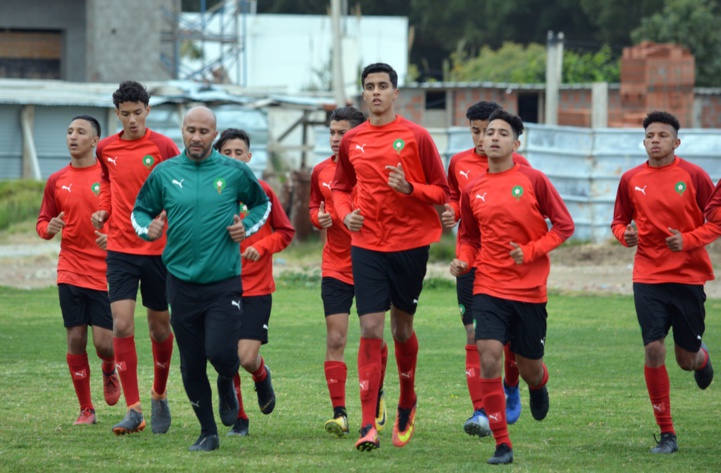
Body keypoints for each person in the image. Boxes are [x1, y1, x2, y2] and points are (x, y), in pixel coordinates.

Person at [132, 106, 270, 451]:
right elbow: (140, 210)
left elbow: (261, 204)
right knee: (191, 363)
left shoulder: (234, 172)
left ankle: (227, 379)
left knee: (222, 353)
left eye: (204, 132)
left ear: (214, 134)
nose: (196, 137)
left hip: (223, 281)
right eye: (190, 130)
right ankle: (208, 432)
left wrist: (246, 226)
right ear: (182, 130)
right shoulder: (164, 173)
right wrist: (148, 230)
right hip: (179, 282)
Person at [332, 63, 450, 451]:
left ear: (395, 93)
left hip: (411, 244)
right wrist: (344, 212)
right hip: (366, 244)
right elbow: (341, 187)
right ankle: (368, 424)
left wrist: (409, 188)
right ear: (363, 94)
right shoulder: (352, 141)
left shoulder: (417, 137)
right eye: (370, 86)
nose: (377, 92)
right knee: (369, 329)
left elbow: (442, 192)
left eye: (383, 86)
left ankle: (407, 399)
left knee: (401, 330)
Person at [450, 110, 574, 464]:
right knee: (488, 353)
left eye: (502, 133)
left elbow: (564, 226)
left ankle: (537, 383)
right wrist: (463, 260)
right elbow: (470, 237)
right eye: (488, 132)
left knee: (528, 365)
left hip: (530, 291)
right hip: (488, 285)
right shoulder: (473, 188)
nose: (492, 138)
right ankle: (502, 444)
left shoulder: (534, 180)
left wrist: (531, 251)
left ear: (516, 143)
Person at [611, 111, 716, 455]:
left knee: (684, 359)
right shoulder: (630, 179)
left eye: (662, 135)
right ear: (644, 141)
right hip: (648, 275)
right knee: (653, 348)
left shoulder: (694, 176)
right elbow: (619, 222)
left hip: (687, 276)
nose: (655, 140)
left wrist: (686, 241)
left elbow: (716, 222)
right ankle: (667, 433)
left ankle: (701, 358)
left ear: (676, 142)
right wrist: (624, 236)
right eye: (650, 135)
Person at [91, 81, 179, 436]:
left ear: (148, 110)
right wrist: (103, 210)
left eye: (137, 113)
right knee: (122, 325)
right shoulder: (106, 148)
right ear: (117, 114)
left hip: (159, 251)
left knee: (159, 328)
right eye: (125, 114)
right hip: (121, 249)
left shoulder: (163, 146)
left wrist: (170, 222)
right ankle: (134, 409)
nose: (131, 120)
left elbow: (180, 185)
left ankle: (159, 394)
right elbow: (107, 183)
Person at [442, 101, 530, 437]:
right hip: (469, 262)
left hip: (507, 267)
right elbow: (452, 195)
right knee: (475, 335)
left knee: (508, 342)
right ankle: (480, 411)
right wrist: (451, 210)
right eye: (476, 131)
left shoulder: (520, 166)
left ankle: (511, 385)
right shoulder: (459, 162)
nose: (482, 138)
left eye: (488, 130)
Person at [36, 115, 121, 426]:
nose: (73, 136)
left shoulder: (109, 177)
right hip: (70, 267)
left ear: (95, 140)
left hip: (105, 270)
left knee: (104, 343)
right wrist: (50, 228)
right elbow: (42, 223)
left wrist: (112, 238)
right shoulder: (57, 180)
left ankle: (109, 367)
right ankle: (87, 409)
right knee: (75, 339)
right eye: (69, 131)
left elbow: (126, 220)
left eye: (81, 132)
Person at [309, 106, 388, 438]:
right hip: (336, 265)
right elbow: (314, 207)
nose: (335, 138)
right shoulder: (320, 172)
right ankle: (340, 413)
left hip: (373, 264)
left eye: (342, 132)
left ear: (357, 134)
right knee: (336, 337)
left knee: (373, 336)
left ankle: (377, 393)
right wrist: (319, 219)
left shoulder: (373, 168)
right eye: (331, 132)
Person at [214, 128, 295, 437]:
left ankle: (261, 375)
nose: (233, 158)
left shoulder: (262, 191)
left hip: (256, 290)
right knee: (226, 357)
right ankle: (240, 419)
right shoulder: (210, 194)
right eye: (227, 153)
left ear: (248, 157)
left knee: (246, 357)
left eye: (239, 153)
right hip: (219, 287)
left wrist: (261, 247)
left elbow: (285, 232)